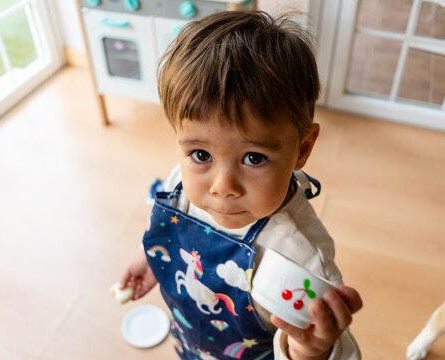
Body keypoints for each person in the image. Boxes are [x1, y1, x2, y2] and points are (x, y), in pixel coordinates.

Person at [120, 10, 363, 360]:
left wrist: (312, 351)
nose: (222, 187)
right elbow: (172, 234)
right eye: (201, 153)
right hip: (191, 342)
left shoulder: (301, 260)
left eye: (254, 158)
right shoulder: (180, 182)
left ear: (303, 148)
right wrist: (152, 260)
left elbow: (341, 351)